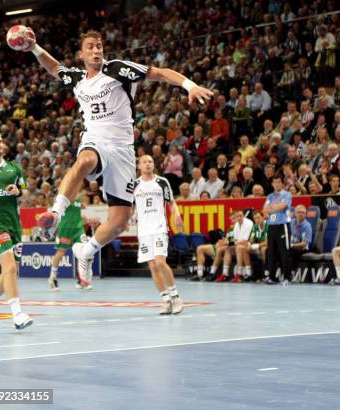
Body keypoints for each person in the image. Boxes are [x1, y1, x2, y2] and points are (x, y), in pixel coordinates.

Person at [25, 29, 212, 276]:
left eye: (99, 46)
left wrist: (190, 85)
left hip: (123, 150)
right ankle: (55, 213)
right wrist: (34, 48)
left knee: (119, 222)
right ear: (81, 53)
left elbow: (160, 73)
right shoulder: (78, 78)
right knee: (85, 160)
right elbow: (54, 68)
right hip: (95, 140)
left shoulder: (118, 69)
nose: (96, 51)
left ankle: (86, 251)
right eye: (90, 47)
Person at [0, 133, 32, 330]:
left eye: (0, 141)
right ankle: (17, 314)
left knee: (10, 271)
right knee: (10, 268)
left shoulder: (14, 168)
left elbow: (26, 192)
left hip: (14, 225)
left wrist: (18, 191)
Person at [133, 155, 185, 315]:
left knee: (160, 262)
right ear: (139, 166)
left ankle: (176, 297)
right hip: (143, 231)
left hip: (159, 228)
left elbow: (172, 202)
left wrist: (177, 215)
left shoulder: (162, 182)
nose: (148, 164)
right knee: (153, 266)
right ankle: (166, 300)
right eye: (144, 162)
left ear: (153, 165)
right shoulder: (134, 185)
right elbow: (129, 208)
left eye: (150, 162)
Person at [47, 193, 97, 291]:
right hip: (65, 229)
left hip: (78, 229)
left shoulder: (78, 198)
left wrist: (81, 210)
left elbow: (78, 209)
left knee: (84, 252)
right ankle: (52, 277)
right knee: (61, 252)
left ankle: (82, 280)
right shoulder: (62, 198)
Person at [262, 175, 292, 284]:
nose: (277, 184)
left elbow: (283, 206)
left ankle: (287, 277)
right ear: (272, 184)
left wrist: (272, 208)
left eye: (279, 182)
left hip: (282, 225)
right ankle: (272, 277)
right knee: (271, 252)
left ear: (282, 183)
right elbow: (264, 210)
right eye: (275, 182)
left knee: (284, 252)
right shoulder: (270, 196)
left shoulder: (287, 194)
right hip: (271, 226)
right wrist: (274, 207)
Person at [236, 211, 268, 281]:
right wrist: (249, 244)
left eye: (258, 218)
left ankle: (266, 273)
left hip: (268, 247)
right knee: (245, 248)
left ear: (263, 218)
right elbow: (251, 239)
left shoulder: (268, 225)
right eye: (255, 218)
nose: (257, 220)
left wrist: (256, 246)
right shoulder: (255, 226)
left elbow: (268, 242)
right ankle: (249, 273)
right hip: (258, 247)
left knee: (264, 249)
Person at [289, 205, 313, 278]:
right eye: (298, 212)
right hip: (291, 245)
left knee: (293, 251)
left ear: (305, 214)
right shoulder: (290, 222)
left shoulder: (307, 226)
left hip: (302, 248)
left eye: (303, 212)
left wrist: (292, 245)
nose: (300, 214)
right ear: (295, 213)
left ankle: (292, 273)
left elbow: (305, 243)